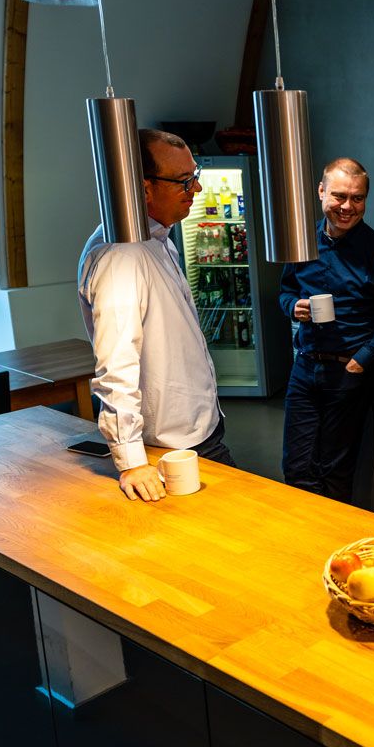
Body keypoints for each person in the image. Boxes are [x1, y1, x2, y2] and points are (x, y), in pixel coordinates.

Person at [78, 129, 234, 502]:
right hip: (168, 448)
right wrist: (131, 461)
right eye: (184, 181)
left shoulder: (158, 239)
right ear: (144, 188)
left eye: (195, 176)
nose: (196, 189)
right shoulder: (121, 255)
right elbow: (116, 364)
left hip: (197, 431)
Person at [278, 158, 374, 503]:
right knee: (295, 468)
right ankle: (306, 530)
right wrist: (293, 306)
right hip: (305, 367)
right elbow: (286, 291)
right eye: (339, 196)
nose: (348, 207)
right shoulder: (301, 242)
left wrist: (362, 359)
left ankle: (332, 534)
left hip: (349, 373)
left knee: (334, 471)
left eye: (357, 198)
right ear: (321, 191)